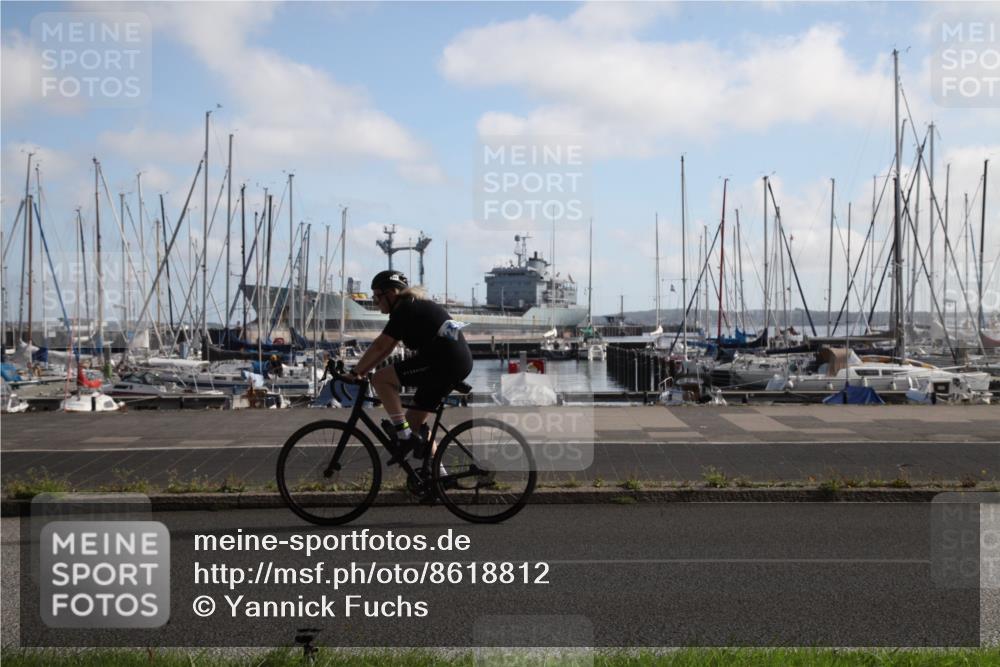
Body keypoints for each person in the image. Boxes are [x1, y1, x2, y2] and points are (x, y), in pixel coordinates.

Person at [348, 270, 472, 465]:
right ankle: (439, 479)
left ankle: (405, 436)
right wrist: (360, 371)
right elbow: (386, 349)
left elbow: (381, 346)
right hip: (451, 361)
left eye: (376, 296)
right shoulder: (413, 306)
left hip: (444, 362)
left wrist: (356, 373)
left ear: (391, 294)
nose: (374, 301)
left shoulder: (405, 310)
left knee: (380, 379)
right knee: (414, 423)